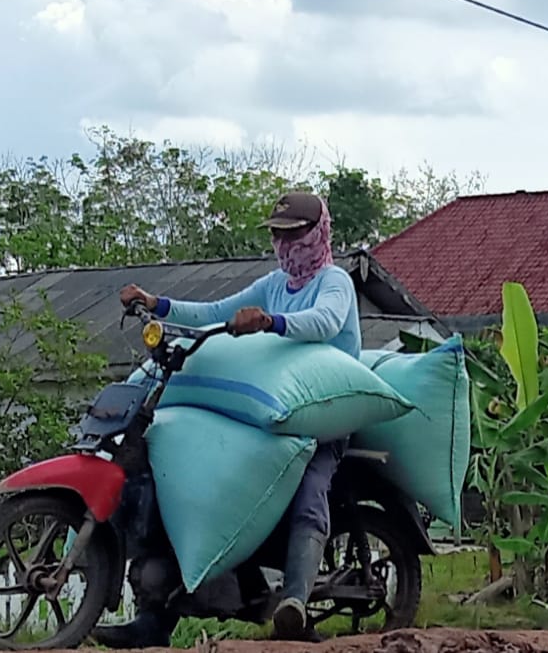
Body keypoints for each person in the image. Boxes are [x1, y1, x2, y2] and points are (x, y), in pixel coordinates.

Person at [99, 191, 359, 646]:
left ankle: (294, 602)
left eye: (293, 234)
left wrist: (271, 323)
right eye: (277, 235)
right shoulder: (273, 284)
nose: (284, 244)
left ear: (317, 233)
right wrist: (158, 304)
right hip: (269, 413)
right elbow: (215, 313)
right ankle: (156, 618)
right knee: (197, 478)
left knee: (311, 485)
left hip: (322, 418)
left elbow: (326, 321)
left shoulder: (334, 282)